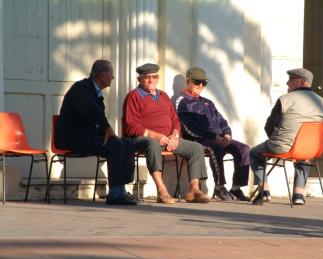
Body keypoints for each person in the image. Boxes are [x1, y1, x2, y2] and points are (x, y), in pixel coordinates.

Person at [122, 63, 210, 204]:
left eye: (154, 77)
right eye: (147, 77)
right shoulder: (133, 96)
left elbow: (175, 120)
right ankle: (161, 189)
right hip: (142, 140)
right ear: (140, 79)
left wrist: (175, 135)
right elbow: (131, 126)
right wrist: (155, 136)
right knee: (152, 143)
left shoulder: (163, 96)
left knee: (196, 148)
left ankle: (194, 190)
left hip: (168, 139)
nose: (151, 80)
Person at [55, 59, 137, 205]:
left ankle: (122, 188)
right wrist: (107, 128)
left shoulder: (96, 91)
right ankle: (115, 193)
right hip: (74, 138)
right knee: (116, 146)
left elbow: (98, 118)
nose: (113, 77)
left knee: (127, 143)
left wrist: (107, 132)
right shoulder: (81, 88)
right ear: (103, 74)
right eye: (111, 74)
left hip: (88, 136)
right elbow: (91, 111)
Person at [250, 68, 323, 205]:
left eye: (291, 80)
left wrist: (274, 141)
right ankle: (299, 195)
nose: (288, 84)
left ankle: (264, 190)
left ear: (302, 82)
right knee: (304, 155)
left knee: (253, 153)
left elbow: (269, 126)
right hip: (309, 149)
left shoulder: (284, 99)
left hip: (281, 146)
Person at [175, 67, 250, 202]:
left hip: (219, 138)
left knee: (244, 149)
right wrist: (214, 137)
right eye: (197, 82)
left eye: (204, 83)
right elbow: (189, 128)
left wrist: (227, 134)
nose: (201, 86)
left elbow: (221, 120)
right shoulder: (182, 102)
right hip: (198, 139)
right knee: (216, 147)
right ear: (188, 81)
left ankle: (236, 187)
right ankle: (220, 186)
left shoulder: (207, 102)